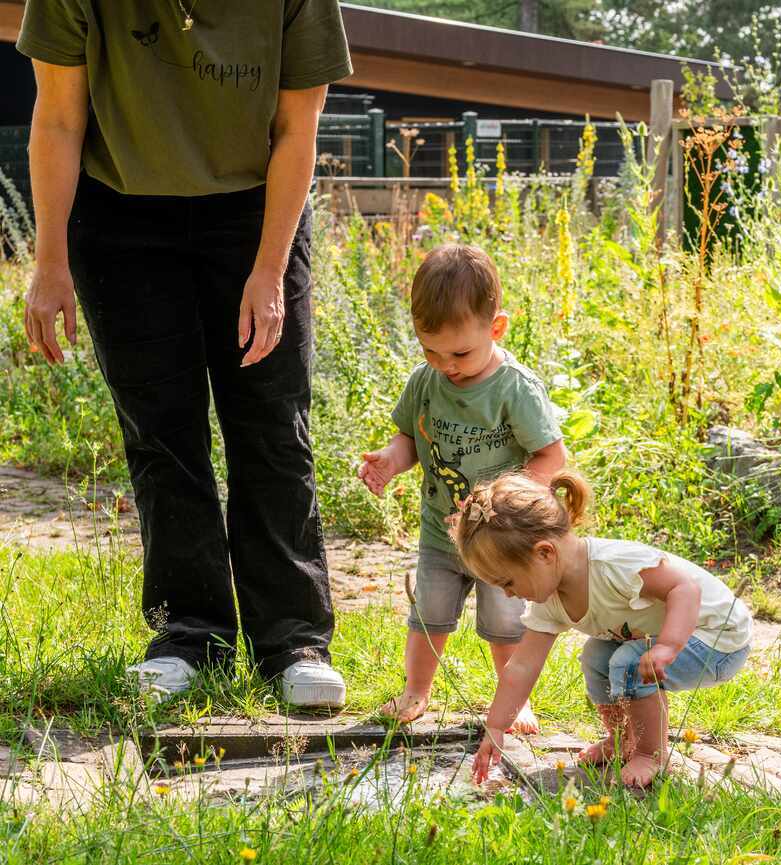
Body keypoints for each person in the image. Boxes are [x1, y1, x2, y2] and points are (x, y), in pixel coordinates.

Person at [17, 1, 353, 707]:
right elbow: (57, 118)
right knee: (162, 432)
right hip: (119, 213)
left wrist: (268, 271)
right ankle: (188, 635)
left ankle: (292, 640)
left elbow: (297, 127)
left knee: (270, 425)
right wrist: (49, 263)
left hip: (256, 210)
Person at [358, 244, 567, 731]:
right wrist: (391, 460)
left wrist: (503, 500)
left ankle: (513, 702)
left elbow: (551, 457)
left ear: (496, 329)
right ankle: (415, 693)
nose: (445, 363)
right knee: (427, 615)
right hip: (440, 532)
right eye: (429, 349)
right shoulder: (425, 381)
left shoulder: (513, 388)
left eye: (459, 353)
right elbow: (411, 435)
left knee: (506, 626)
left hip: (500, 536)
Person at [456, 471, 752, 787]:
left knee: (626, 663)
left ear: (545, 553)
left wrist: (668, 645)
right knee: (596, 656)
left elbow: (685, 588)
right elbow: (522, 666)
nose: (508, 594)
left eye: (508, 582)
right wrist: (497, 726)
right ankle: (622, 739)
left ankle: (650, 753)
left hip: (716, 638)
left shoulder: (614, 566)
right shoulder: (550, 600)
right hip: (667, 637)